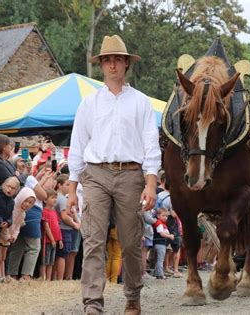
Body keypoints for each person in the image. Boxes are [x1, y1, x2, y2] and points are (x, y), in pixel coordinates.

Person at [67, 34, 161, 315]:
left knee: (131, 243)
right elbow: (77, 145)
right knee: (93, 240)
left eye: (117, 59)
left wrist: (151, 183)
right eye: (107, 60)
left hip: (131, 175)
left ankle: (132, 297)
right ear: (101, 65)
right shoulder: (89, 103)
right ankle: (93, 303)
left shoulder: (141, 102)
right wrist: (71, 189)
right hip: (95, 174)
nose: (112, 65)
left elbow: (150, 145)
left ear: (126, 64)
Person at [54, 174, 79, 280]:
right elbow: (64, 216)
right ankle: (60, 279)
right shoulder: (63, 199)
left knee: (60, 255)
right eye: (67, 184)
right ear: (59, 185)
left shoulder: (57, 198)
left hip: (60, 229)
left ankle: (56, 277)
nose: (69, 187)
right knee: (63, 255)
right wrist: (75, 224)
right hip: (64, 229)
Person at [40, 189, 62, 281]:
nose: (55, 200)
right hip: (47, 241)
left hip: (55, 241)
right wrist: (52, 239)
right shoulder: (44, 212)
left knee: (51, 262)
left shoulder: (54, 212)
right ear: (45, 200)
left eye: (55, 198)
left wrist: (60, 239)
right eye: (52, 198)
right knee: (45, 261)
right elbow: (46, 227)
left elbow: (57, 226)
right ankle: (43, 278)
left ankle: (48, 279)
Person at [152, 208, 174, 280]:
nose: (165, 217)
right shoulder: (159, 224)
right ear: (158, 216)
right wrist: (169, 236)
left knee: (158, 259)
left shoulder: (162, 224)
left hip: (160, 243)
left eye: (166, 216)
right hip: (160, 243)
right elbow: (161, 233)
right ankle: (160, 274)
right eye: (163, 215)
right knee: (160, 259)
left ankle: (157, 273)